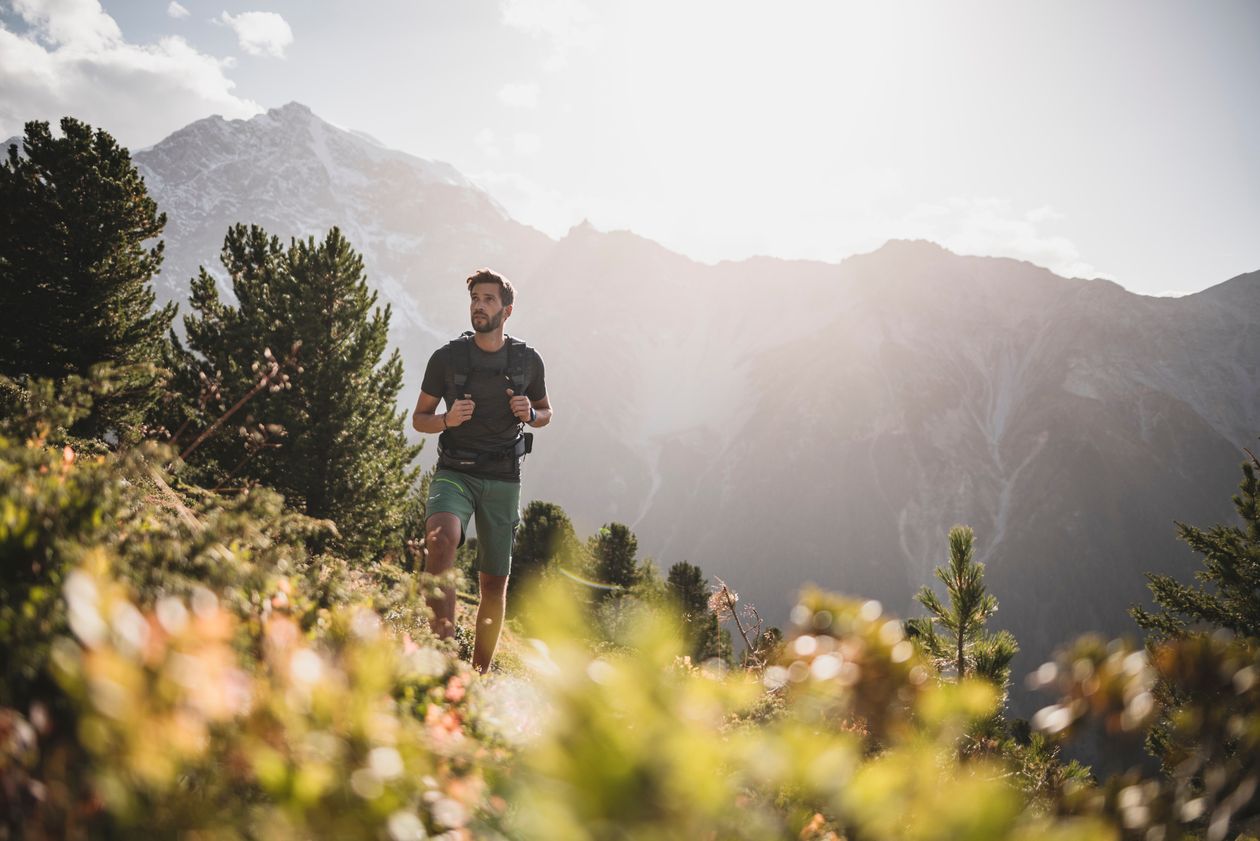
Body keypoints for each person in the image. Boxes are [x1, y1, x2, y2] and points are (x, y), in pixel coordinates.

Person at [412, 269, 551, 673]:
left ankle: (478, 674)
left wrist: (533, 412)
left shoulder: (527, 361)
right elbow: (420, 419)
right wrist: (446, 420)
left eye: (489, 299)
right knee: (441, 539)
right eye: (475, 298)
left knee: (493, 583)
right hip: (455, 470)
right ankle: (441, 659)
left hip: (504, 477)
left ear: (507, 310)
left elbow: (546, 411)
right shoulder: (447, 358)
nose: (479, 305)